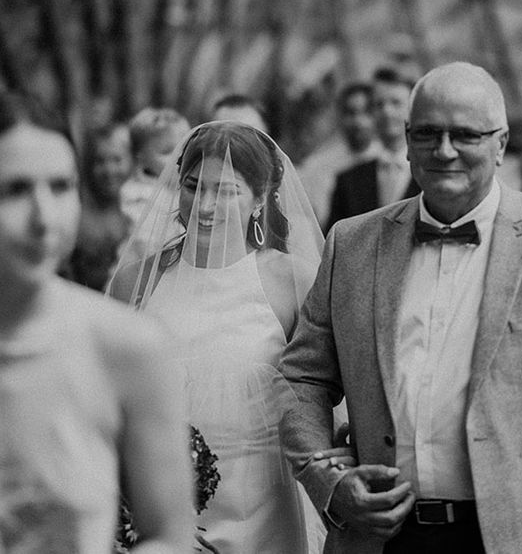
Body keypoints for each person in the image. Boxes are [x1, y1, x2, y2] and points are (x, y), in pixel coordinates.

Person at [279, 61, 522, 553]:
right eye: (428, 133)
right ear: (407, 140)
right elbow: (302, 377)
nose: (444, 150)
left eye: (465, 135)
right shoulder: (352, 243)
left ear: (501, 143)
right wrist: (329, 480)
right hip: (382, 538)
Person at [108, 121, 349, 554]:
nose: (204, 205)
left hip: (263, 508)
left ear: (260, 199)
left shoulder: (292, 281)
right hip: (163, 509)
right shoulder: (135, 283)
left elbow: (323, 395)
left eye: (225, 191)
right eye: (193, 186)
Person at [0, 91, 191, 552]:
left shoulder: (130, 348)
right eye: (15, 190)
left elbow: (169, 535)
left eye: (62, 187)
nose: (45, 218)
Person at [326, 68, 419, 231]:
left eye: (396, 103)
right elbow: (335, 240)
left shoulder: (429, 173)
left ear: (413, 110)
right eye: (379, 104)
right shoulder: (349, 180)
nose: (387, 112)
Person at [298, 82, 381, 227]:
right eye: (351, 113)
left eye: (366, 112)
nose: (359, 122)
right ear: (340, 116)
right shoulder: (317, 166)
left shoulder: (388, 163)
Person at [69, 122, 133, 290]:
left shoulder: (142, 206)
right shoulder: (76, 208)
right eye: (100, 161)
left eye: (117, 159)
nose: (109, 170)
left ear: (131, 161)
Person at [120, 107, 190, 231]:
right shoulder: (137, 197)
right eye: (167, 152)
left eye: (185, 147)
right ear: (141, 158)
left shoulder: (191, 186)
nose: (180, 157)